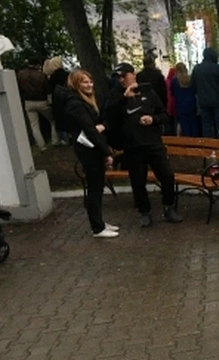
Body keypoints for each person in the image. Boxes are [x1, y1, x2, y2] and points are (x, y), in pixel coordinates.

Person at [106, 63, 183, 227]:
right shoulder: (115, 95)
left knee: (167, 175)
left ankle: (169, 207)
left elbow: (164, 115)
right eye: (118, 77)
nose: (121, 80)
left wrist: (152, 119)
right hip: (133, 146)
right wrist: (123, 98)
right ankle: (144, 211)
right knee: (138, 180)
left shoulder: (147, 91)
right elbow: (108, 116)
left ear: (133, 75)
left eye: (123, 76)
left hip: (153, 143)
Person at [65, 70, 118, 239]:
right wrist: (106, 152)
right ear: (76, 84)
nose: (89, 85)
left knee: (98, 186)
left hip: (93, 147)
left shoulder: (85, 101)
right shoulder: (76, 104)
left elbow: (95, 126)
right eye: (84, 82)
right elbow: (89, 129)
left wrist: (102, 127)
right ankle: (97, 227)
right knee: (94, 188)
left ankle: (99, 221)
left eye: (90, 82)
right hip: (88, 149)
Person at [17, 57, 59, 150]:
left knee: (34, 125)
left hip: (28, 101)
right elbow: (48, 90)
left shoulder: (21, 74)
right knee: (53, 121)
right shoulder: (41, 75)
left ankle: (42, 146)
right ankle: (55, 141)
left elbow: (19, 88)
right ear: (38, 65)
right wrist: (50, 101)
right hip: (42, 101)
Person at [190, 48, 219, 138]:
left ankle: (208, 146)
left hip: (203, 100)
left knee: (206, 124)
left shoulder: (197, 69)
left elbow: (193, 85)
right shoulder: (218, 68)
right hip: (217, 100)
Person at [45, 57, 72, 144]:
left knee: (60, 120)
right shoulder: (68, 75)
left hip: (57, 100)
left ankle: (65, 139)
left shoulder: (52, 77)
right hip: (68, 99)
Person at [170, 63, 198, 137]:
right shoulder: (190, 79)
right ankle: (195, 139)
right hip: (192, 104)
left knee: (184, 125)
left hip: (180, 105)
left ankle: (188, 142)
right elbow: (195, 90)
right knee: (193, 123)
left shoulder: (175, 80)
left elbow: (172, 92)